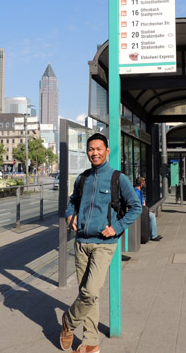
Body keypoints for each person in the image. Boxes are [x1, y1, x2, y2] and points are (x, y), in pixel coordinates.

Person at [61, 133, 141, 353]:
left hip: (104, 243)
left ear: (106, 150)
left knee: (90, 291)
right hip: (81, 243)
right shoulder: (83, 178)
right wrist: (70, 215)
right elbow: (72, 201)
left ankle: (68, 321)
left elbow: (136, 206)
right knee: (89, 294)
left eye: (98, 149)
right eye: (90, 149)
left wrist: (117, 227)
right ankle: (90, 341)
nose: (93, 153)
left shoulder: (118, 178)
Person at [134, 176, 162, 241]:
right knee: (152, 216)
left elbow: (143, 202)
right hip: (137, 210)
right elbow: (137, 204)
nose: (145, 183)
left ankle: (152, 234)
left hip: (142, 209)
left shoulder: (140, 191)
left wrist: (146, 210)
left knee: (150, 214)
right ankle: (154, 235)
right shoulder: (136, 192)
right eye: (144, 182)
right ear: (141, 183)